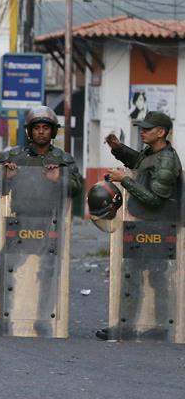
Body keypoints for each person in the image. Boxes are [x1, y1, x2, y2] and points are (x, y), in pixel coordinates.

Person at [0, 105, 82, 335]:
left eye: (46, 128)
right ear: (29, 131)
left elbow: (77, 189)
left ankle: (43, 318)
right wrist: (6, 176)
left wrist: (59, 179)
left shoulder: (63, 159)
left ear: (53, 132)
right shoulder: (14, 157)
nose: (41, 132)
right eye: (37, 128)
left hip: (49, 222)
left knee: (48, 271)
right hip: (19, 222)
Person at [97, 110, 182, 340]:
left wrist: (123, 180)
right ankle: (127, 325)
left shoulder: (166, 161)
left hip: (159, 226)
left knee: (157, 278)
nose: (142, 131)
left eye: (147, 128)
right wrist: (118, 148)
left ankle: (164, 326)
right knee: (133, 275)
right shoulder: (152, 153)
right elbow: (139, 163)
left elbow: (155, 199)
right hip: (144, 225)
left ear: (161, 132)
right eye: (141, 127)